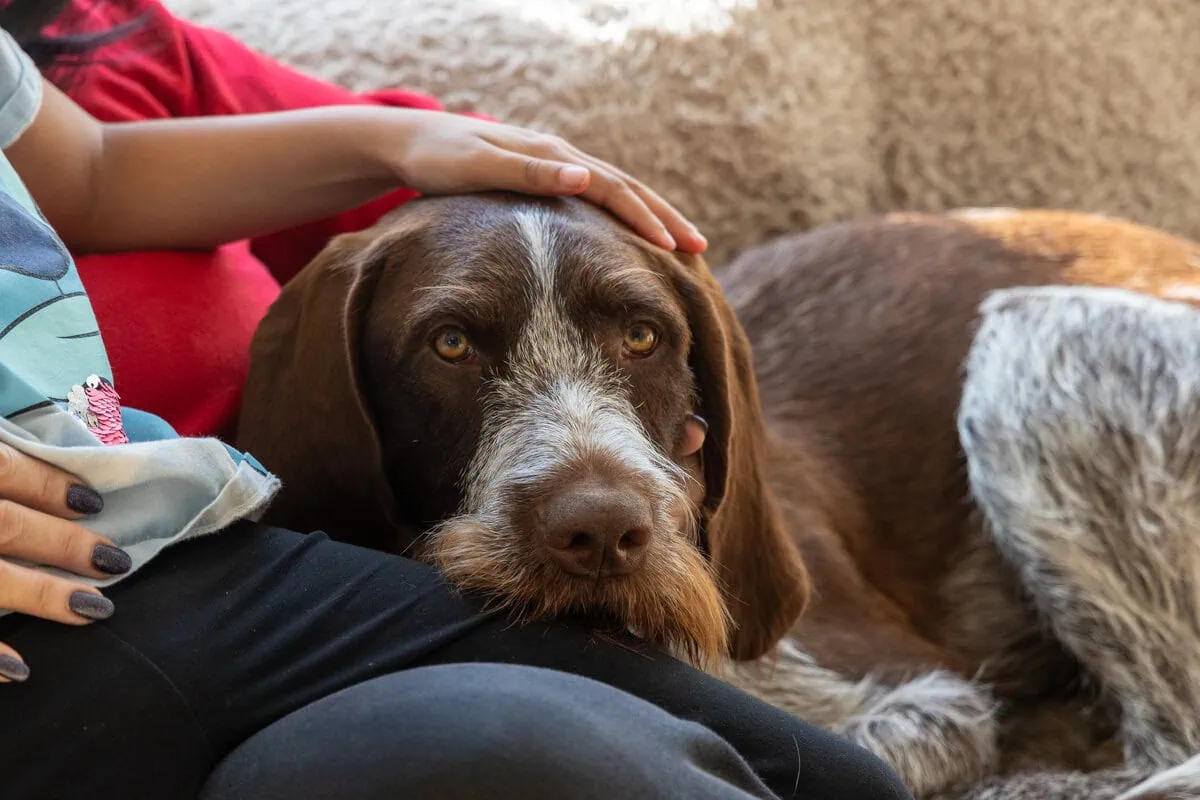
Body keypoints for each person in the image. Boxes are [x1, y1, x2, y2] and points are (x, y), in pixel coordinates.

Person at [0, 3, 916, 799]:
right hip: (81, 650)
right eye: (452, 347)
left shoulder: (107, 48)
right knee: (511, 743)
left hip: (241, 575)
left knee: (806, 775)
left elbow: (95, 171)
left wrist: (395, 141)